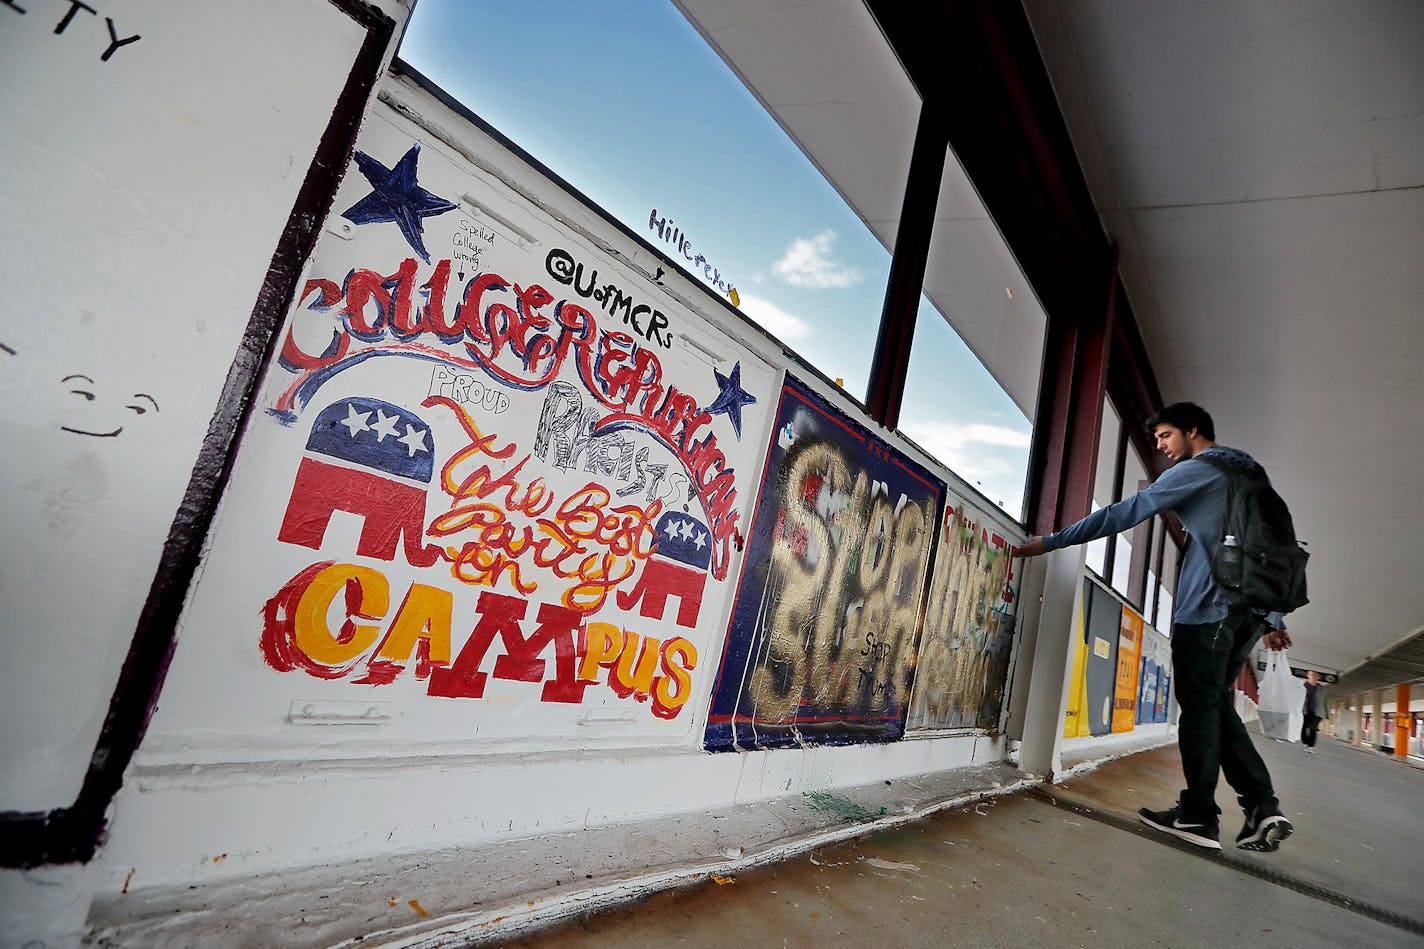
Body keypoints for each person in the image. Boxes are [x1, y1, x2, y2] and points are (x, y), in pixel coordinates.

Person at [1018, 402, 1295, 853]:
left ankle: (1199, 816)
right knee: (1214, 706)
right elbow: (1274, 546)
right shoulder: (1249, 474)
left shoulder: (1199, 469)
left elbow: (1126, 512)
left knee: (1200, 709)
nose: (1162, 447)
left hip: (1209, 608)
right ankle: (1262, 805)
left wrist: (1052, 541)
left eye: (1166, 436)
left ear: (1193, 431)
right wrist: (1274, 617)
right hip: (1251, 613)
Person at [1300, 670, 1328, 752]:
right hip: (1305, 711)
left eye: (1315, 675)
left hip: (1317, 712)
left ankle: (1311, 746)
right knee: (1304, 727)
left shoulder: (1322, 689)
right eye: (1311, 674)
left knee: (1313, 728)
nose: (1313, 676)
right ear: (1308, 676)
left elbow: (1325, 701)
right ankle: (1305, 743)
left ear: (1317, 677)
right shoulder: (1302, 687)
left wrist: (1327, 714)